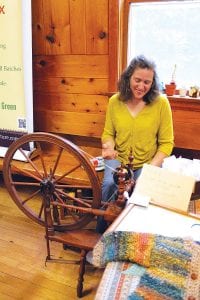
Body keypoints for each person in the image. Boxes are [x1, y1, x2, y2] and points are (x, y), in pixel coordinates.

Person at [96, 55, 174, 233]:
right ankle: (102, 233)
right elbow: (108, 133)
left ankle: (132, 235)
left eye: (147, 82)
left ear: (153, 83)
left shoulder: (161, 103)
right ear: (128, 78)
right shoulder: (115, 101)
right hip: (119, 159)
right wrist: (108, 146)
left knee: (141, 190)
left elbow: (166, 143)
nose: (141, 86)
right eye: (137, 80)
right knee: (109, 185)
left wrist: (150, 169)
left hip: (148, 162)